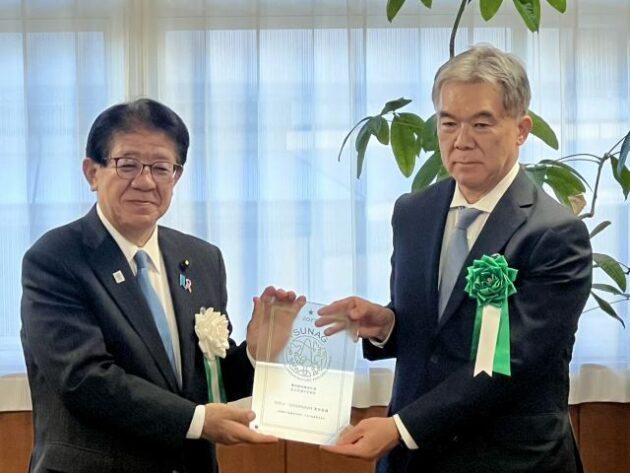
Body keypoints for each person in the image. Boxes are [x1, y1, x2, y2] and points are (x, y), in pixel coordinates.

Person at [318, 46, 592, 473]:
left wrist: (400, 428)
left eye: (481, 124)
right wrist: (387, 325)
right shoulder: (413, 212)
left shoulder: (555, 233)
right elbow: (437, 331)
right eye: (448, 123)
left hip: (511, 460)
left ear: (521, 129)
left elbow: (512, 362)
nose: (461, 141)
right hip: (414, 460)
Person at [20, 98, 297, 473]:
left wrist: (254, 355)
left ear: (176, 177)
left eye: (160, 168)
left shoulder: (201, 259)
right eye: (128, 164)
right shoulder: (56, 257)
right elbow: (84, 380)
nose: (145, 181)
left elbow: (206, 383)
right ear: (92, 172)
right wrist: (197, 421)